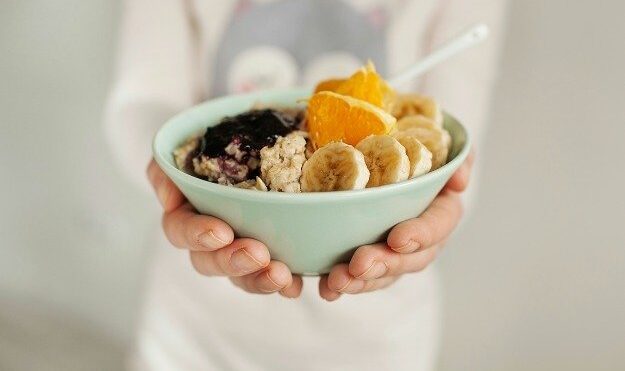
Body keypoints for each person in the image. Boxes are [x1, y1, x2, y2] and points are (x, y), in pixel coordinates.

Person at [105, 0, 507, 369]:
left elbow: (450, 146)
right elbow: (141, 100)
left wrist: (440, 210)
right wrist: (173, 173)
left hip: (377, 340)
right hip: (192, 328)